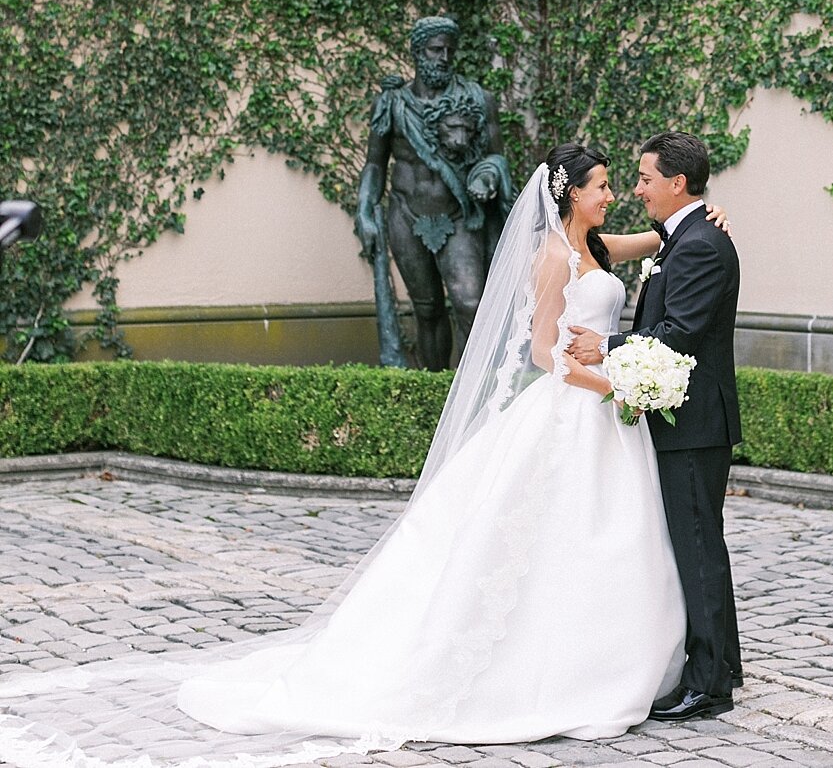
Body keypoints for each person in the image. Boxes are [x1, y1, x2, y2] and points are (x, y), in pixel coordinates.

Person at [0, 144, 734, 766]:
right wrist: (602, 376)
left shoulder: (599, 247)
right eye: (603, 185)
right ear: (569, 195)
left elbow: (671, 241)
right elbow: (543, 351)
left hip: (608, 418)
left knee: (616, 543)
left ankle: (631, 659)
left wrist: (707, 218)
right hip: (571, 407)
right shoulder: (551, 258)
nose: (616, 194)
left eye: (621, 182)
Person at [569, 131, 742, 722]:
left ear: (677, 182)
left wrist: (607, 346)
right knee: (694, 544)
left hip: (693, 423)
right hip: (679, 420)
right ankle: (717, 668)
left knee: (697, 546)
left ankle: (709, 684)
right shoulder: (683, 235)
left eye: (644, 179)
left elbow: (679, 334)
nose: (636, 189)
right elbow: (594, 242)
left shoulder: (698, 245)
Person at [354, 15, 514, 370]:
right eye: (435, 50)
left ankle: (474, 391)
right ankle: (435, 386)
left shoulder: (478, 99)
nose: (443, 57)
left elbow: (495, 157)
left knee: (470, 302)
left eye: (448, 51)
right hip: (406, 213)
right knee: (426, 309)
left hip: (458, 214)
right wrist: (365, 209)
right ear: (417, 52)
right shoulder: (393, 103)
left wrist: (488, 175)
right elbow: (375, 164)